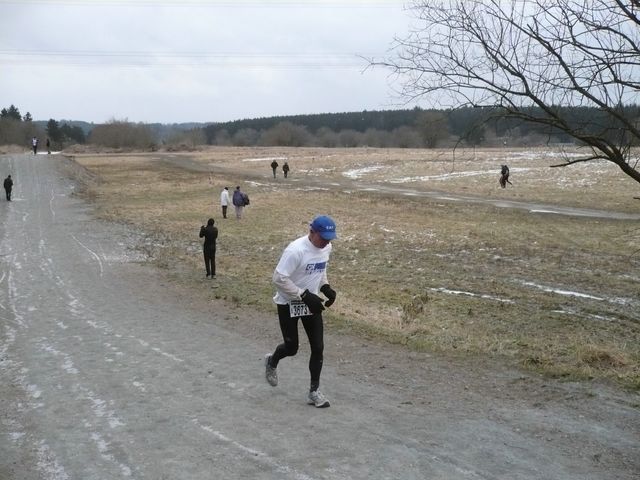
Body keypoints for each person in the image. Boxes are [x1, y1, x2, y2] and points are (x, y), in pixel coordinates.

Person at [264, 215, 338, 408]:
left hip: (310, 303)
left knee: (318, 347)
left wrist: (325, 287)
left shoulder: (326, 247)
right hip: (288, 302)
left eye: (330, 238)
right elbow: (278, 279)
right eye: (323, 237)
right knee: (292, 347)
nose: (327, 242)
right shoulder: (295, 251)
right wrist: (303, 295)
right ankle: (272, 361)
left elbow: (320, 269)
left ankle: (314, 392)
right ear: (312, 232)